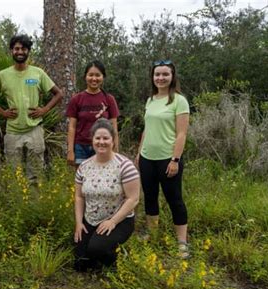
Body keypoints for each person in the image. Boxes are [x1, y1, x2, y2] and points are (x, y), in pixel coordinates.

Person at [135, 59, 190, 259]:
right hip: (148, 158)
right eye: (157, 74)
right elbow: (147, 129)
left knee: (174, 199)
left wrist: (175, 159)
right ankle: (153, 234)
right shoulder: (150, 100)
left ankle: (182, 242)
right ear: (152, 77)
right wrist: (139, 153)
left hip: (168, 159)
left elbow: (182, 134)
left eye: (165, 74)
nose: (161, 78)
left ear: (172, 76)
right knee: (150, 197)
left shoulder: (179, 101)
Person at [0, 34, 63, 183]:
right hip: (12, 132)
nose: (20, 51)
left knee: (36, 175)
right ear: (11, 51)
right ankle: (16, 205)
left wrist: (44, 110)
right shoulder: (2, 75)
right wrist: (1, 112)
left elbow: (58, 94)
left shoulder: (38, 73)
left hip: (34, 130)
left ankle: (34, 205)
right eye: (16, 48)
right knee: (13, 175)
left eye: (24, 48)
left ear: (28, 51)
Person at [74, 118, 140, 271]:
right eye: (98, 138)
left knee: (96, 249)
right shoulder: (84, 166)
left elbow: (133, 198)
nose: (101, 142)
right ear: (92, 140)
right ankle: (98, 256)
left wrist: (113, 222)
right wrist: (79, 222)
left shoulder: (124, 165)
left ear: (113, 140)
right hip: (91, 219)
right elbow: (79, 196)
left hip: (119, 220)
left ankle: (119, 260)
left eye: (105, 138)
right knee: (80, 263)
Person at [66, 60, 120, 167]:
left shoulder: (109, 99)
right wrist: (70, 151)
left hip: (103, 146)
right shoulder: (77, 99)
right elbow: (72, 127)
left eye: (97, 75)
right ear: (85, 76)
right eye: (90, 75)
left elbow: (114, 127)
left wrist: (115, 148)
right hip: (81, 147)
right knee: (83, 180)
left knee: (103, 179)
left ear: (103, 77)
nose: (94, 79)